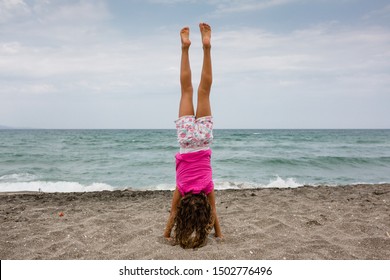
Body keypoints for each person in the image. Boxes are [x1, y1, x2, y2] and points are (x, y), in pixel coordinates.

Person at [163, 23, 223, 248]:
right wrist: (167, 232)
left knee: (204, 90)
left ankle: (207, 48)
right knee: (187, 90)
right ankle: (185, 48)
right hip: (187, 139)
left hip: (204, 138)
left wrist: (219, 234)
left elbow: (215, 211)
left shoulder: (207, 186)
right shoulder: (181, 187)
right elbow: (172, 211)